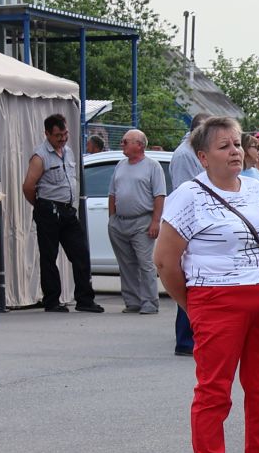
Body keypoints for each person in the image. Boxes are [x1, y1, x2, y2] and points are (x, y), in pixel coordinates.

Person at [152, 117, 259, 453]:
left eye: (237, 144)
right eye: (223, 146)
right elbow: (165, 261)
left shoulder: (253, 186)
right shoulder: (188, 195)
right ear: (202, 156)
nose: (235, 151)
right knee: (214, 394)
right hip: (216, 300)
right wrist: (195, 305)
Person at [24, 113, 101, 312]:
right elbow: (28, 186)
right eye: (58, 135)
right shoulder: (40, 156)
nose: (63, 138)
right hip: (49, 209)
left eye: (65, 133)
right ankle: (52, 300)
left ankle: (85, 300)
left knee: (81, 253)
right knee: (49, 257)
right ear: (47, 134)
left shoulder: (67, 151)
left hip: (67, 210)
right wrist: (42, 206)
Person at [105, 129, 166, 314]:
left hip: (142, 221)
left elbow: (159, 195)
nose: (121, 144)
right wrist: (112, 219)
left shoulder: (153, 166)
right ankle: (132, 301)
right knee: (126, 263)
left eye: (125, 141)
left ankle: (149, 303)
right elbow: (112, 193)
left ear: (139, 145)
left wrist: (155, 221)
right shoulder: (120, 165)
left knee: (145, 263)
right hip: (120, 222)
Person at [167, 116, 212, 353]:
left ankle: (192, 336)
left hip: (200, 225)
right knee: (192, 282)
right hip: (192, 226)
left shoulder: (194, 152)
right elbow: (187, 193)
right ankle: (185, 340)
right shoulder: (185, 155)